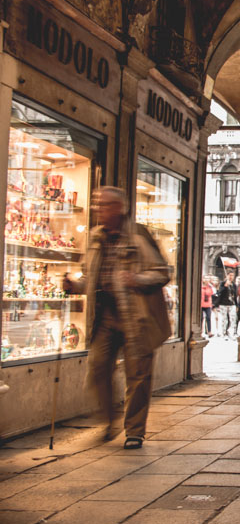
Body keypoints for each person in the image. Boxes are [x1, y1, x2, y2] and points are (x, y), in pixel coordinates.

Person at [63, 187, 170, 449]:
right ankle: (110, 419)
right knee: (98, 368)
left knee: (138, 376)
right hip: (105, 317)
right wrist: (74, 285)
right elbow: (90, 277)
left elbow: (162, 272)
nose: (99, 210)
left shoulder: (138, 234)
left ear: (120, 208)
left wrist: (137, 279)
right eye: (98, 204)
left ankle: (134, 430)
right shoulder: (95, 237)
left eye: (106, 205)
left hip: (137, 316)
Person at [216, 273, 237, 339]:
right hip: (223, 304)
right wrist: (225, 286)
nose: (231, 277)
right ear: (227, 276)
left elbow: (235, 295)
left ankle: (230, 332)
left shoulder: (234, 285)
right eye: (230, 275)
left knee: (233, 319)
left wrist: (236, 305)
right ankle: (223, 333)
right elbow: (219, 292)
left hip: (232, 304)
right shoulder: (222, 283)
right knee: (224, 319)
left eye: (232, 275)